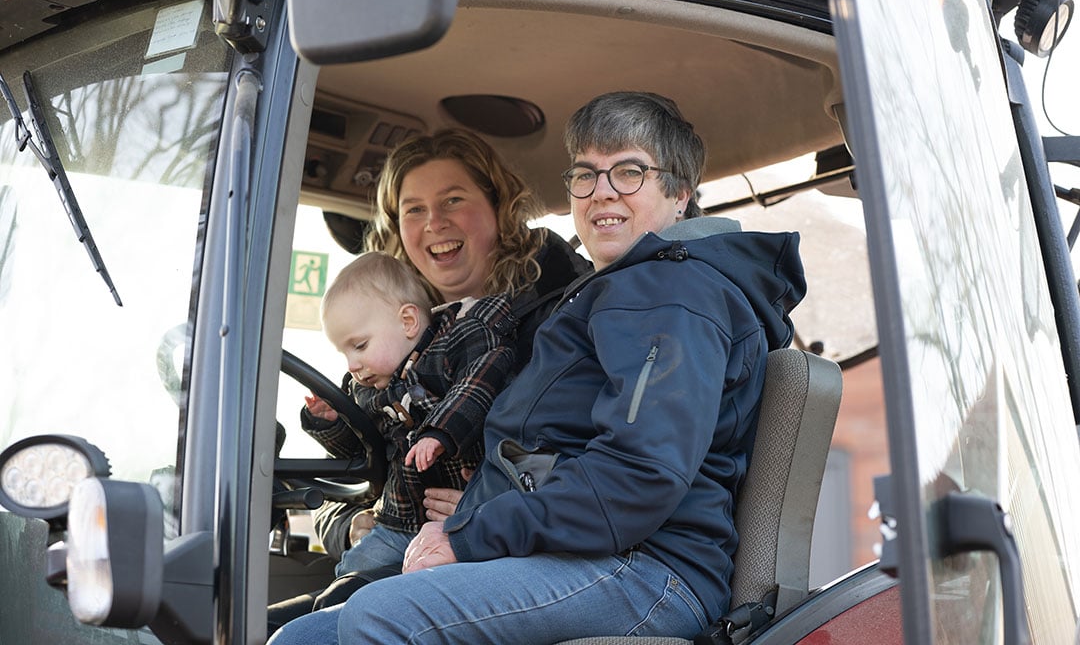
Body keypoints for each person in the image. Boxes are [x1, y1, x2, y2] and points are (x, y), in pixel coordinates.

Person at [268, 91, 806, 644]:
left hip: (646, 569)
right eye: (585, 175)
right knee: (302, 638)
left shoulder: (672, 294)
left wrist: (475, 532)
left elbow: (640, 474)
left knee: (380, 616)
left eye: (628, 173)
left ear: (680, 192)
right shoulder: (612, 292)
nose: (602, 193)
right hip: (585, 551)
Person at [268, 128, 591, 630]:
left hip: (504, 557)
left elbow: (594, 459)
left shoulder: (562, 318)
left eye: (453, 200)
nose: (433, 222)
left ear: (499, 206)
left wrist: (493, 509)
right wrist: (352, 525)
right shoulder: (393, 332)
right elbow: (357, 463)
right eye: (413, 209)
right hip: (401, 545)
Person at [303, 249, 515, 585]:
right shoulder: (367, 390)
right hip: (398, 522)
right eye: (343, 352)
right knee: (349, 577)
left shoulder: (452, 350)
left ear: (408, 322)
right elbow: (360, 452)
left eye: (359, 346)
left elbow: (476, 384)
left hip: (463, 517)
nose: (351, 365)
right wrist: (330, 423)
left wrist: (439, 432)